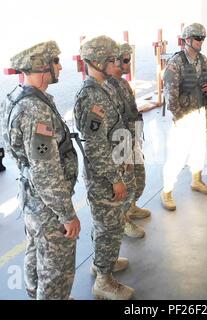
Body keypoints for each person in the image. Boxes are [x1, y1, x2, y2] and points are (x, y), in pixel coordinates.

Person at [1, 41, 80, 299]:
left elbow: (16, 151)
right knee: (56, 270)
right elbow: (45, 171)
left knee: (35, 254)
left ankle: (36, 294)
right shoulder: (36, 110)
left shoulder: (17, 97)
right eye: (55, 62)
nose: (60, 66)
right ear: (43, 69)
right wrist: (68, 215)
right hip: (48, 206)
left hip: (31, 198)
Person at [74, 35, 134, 300]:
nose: (116, 62)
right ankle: (103, 280)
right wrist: (114, 178)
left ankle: (102, 263)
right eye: (110, 59)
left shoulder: (106, 87)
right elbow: (94, 146)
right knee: (108, 226)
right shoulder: (90, 97)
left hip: (114, 166)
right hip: (103, 175)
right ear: (96, 61)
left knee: (109, 224)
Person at [160, 23, 207, 211]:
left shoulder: (202, 60)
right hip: (184, 116)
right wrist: (179, 119)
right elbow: (170, 96)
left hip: (201, 112)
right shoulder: (175, 64)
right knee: (178, 155)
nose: (201, 42)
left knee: (200, 148)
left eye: (203, 38)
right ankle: (166, 191)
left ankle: (197, 180)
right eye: (198, 38)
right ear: (187, 40)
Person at [105, 43, 150, 238]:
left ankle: (131, 207)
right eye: (125, 61)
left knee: (139, 178)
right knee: (126, 182)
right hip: (121, 144)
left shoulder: (122, 83)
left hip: (132, 138)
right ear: (113, 61)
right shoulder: (107, 87)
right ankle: (123, 219)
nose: (128, 64)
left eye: (129, 60)